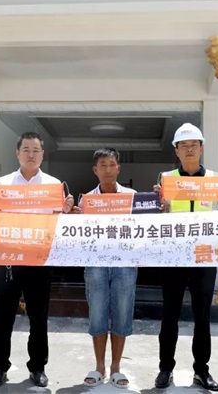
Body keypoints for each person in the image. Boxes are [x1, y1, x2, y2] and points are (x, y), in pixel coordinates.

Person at [154, 123, 218, 391]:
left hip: (204, 257)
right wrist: (159, 207)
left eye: (194, 144)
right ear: (176, 151)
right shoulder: (166, 178)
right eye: (184, 145)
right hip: (173, 257)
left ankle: (201, 370)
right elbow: (157, 217)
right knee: (169, 315)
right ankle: (165, 369)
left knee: (202, 317)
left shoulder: (217, 179)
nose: (189, 149)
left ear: (202, 148)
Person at [0, 132, 74, 388]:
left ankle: (37, 367)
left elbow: (59, 224)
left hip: (39, 262)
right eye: (26, 149)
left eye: (36, 150)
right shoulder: (3, 183)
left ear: (42, 154)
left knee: (38, 318)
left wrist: (66, 210)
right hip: (8, 262)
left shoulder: (53, 186)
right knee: (3, 317)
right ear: (17, 153)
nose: (31, 154)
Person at [80, 148, 137, 389]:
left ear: (118, 168)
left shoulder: (133, 197)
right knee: (97, 312)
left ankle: (116, 367)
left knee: (122, 311)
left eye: (112, 165)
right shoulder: (86, 200)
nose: (108, 170)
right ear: (95, 170)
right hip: (95, 262)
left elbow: (146, 227)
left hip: (125, 262)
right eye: (103, 165)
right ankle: (99, 366)